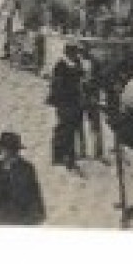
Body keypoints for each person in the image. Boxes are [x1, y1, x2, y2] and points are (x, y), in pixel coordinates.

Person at [0, 131, 46, 225]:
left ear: (12, 150)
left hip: (18, 218)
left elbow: (31, 193)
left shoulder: (25, 168)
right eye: (0, 148)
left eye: (2, 148)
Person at [48, 43, 84, 171]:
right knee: (65, 129)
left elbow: (80, 77)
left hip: (74, 102)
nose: (76, 55)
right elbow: (57, 86)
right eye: (74, 52)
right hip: (64, 102)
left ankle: (66, 156)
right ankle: (62, 157)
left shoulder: (76, 64)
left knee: (70, 128)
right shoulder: (61, 66)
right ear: (68, 53)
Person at [20, 0, 49, 71]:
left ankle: (34, 61)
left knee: (33, 37)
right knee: (33, 37)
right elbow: (43, 2)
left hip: (33, 13)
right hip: (34, 13)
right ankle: (35, 61)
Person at [0, 0, 21, 64]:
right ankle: (10, 51)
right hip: (12, 12)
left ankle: (7, 51)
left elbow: (5, 0)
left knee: (7, 32)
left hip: (8, 12)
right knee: (9, 31)